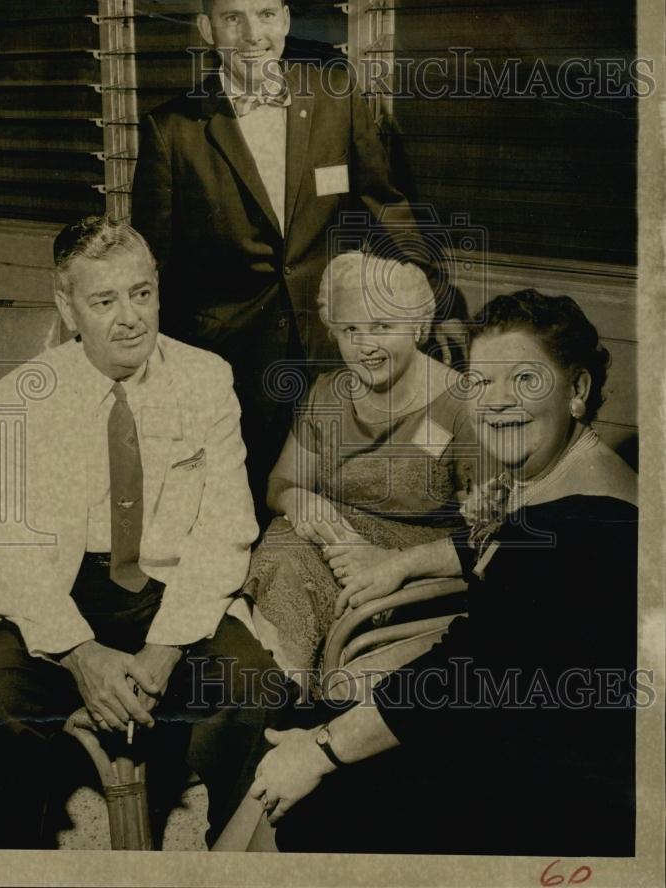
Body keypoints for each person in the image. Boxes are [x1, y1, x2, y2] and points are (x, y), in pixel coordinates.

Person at [248, 288, 638, 857]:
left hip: (559, 783)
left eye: (525, 380)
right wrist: (402, 565)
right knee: (301, 754)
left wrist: (321, 750)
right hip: (515, 714)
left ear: (577, 390)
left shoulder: (582, 525)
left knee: (312, 794)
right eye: (482, 383)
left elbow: (464, 675)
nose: (497, 403)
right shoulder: (567, 479)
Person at [0, 217, 285, 849]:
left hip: (170, 592)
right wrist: (80, 653)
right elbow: (3, 553)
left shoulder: (207, 378)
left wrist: (164, 651)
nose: (130, 317)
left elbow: (225, 532)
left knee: (255, 692)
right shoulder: (18, 398)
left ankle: (239, 867)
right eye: (104, 301)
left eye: (141, 293)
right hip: (59, 596)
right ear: (69, 309)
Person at [131, 0, 434, 519]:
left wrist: (421, 296)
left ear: (287, 19)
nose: (253, 35)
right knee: (238, 507)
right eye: (233, 19)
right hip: (230, 360)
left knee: (328, 498)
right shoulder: (171, 129)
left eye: (266, 15)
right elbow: (153, 264)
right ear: (207, 29)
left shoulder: (336, 95)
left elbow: (387, 207)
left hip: (331, 347)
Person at [242, 251, 476, 688]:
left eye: (382, 327)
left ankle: (289, 713)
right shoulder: (330, 392)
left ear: (418, 327)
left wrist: (395, 563)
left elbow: (490, 535)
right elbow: (280, 484)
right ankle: (271, 703)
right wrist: (299, 499)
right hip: (330, 547)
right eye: (350, 329)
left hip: (411, 574)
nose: (364, 345)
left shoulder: (461, 405)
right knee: (282, 554)